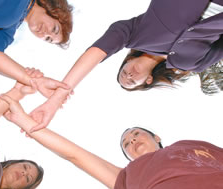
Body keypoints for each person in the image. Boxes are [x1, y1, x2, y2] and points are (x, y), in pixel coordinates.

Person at [28, 0, 223, 132]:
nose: (129, 75)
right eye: (131, 81)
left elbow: (95, 53)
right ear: (147, 81)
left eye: (124, 73)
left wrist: (57, 98)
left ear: (127, 60)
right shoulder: (192, 64)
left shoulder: (134, 33)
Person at [0, 95, 223, 189]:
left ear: (156, 136)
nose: (132, 140)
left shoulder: (188, 145)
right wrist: (24, 122)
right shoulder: (129, 178)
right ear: (128, 157)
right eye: (127, 144)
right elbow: (75, 154)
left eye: (136, 134)